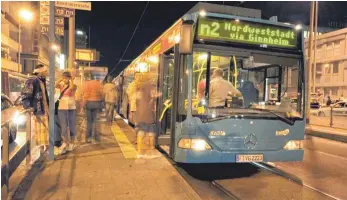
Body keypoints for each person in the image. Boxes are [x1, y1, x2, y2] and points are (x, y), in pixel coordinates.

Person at [21, 64, 49, 153]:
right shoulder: (32, 80)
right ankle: (42, 150)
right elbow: (26, 94)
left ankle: (46, 148)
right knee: (40, 130)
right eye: (45, 71)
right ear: (41, 72)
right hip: (38, 108)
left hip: (44, 108)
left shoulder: (41, 80)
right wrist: (29, 106)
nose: (47, 72)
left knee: (45, 129)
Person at [134, 73, 161, 157]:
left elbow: (136, 99)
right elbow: (154, 95)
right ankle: (151, 152)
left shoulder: (139, 87)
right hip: (148, 113)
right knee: (151, 133)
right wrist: (160, 94)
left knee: (141, 132)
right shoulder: (150, 86)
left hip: (140, 113)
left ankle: (139, 152)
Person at [55, 71, 77, 154]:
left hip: (71, 107)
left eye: (66, 78)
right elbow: (55, 84)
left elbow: (71, 88)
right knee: (63, 126)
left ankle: (71, 143)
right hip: (62, 107)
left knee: (71, 125)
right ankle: (65, 142)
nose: (65, 79)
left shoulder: (74, 85)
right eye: (64, 78)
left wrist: (71, 79)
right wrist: (61, 78)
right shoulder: (61, 85)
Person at [81, 73, 103, 143]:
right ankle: (96, 138)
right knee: (95, 121)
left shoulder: (86, 84)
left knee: (89, 121)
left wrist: (83, 105)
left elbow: (85, 95)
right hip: (97, 103)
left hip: (88, 103)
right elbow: (102, 93)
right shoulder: (98, 83)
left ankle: (88, 137)